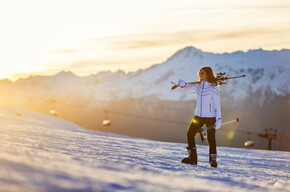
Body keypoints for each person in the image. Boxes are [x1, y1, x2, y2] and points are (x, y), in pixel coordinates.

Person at [174, 67, 221, 167]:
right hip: (198, 116)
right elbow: (184, 90)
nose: (200, 74)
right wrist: (181, 85)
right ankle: (192, 158)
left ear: (208, 74)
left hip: (210, 116)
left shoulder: (213, 88)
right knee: (190, 134)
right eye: (199, 73)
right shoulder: (197, 86)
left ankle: (212, 161)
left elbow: (217, 104)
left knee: (211, 138)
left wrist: (218, 119)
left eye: (202, 73)